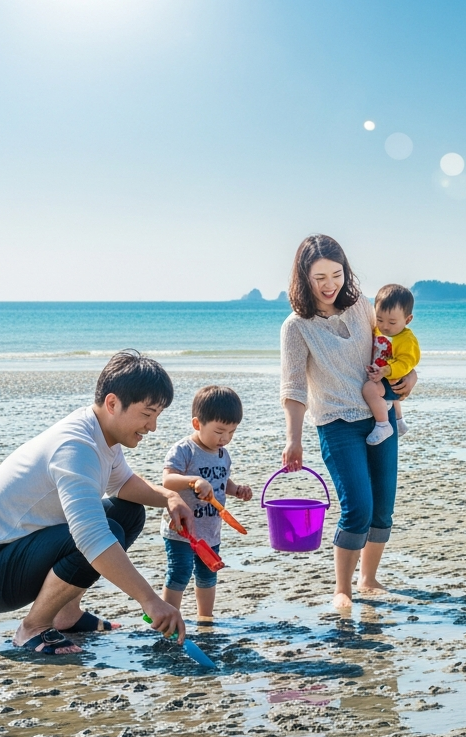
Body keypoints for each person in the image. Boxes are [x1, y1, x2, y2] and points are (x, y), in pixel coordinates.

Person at [0, 351, 193, 654]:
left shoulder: (100, 433)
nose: (153, 426)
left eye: (158, 416)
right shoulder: (76, 446)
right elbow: (91, 536)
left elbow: (123, 484)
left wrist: (170, 497)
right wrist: (150, 601)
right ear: (112, 403)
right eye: (147, 414)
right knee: (102, 533)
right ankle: (33, 627)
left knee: (128, 514)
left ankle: (66, 615)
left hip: (18, 550)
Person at [280, 234, 419, 609]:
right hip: (336, 423)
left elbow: (394, 342)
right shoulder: (296, 327)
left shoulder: (361, 306)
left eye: (337, 274)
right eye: (319, 277)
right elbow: (293, 386)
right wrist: (294, 438)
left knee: (382, 506)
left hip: (381, 417)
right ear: (303, 277)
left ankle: (369, 579)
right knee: (357, 505)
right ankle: (342, 588)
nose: (330, 285)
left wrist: (412, 377)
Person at [159, 385, 253, 621]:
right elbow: (168, 480)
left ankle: (205, 618)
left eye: (232, 432)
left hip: (210, 531)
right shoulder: (184, 450)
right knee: (179, 573)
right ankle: (169, 618)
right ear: (197, 424)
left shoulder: (223, 454)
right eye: (220, 431)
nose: (226, 438)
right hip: (182, 530)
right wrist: (194, 481)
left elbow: (222, 480)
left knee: (208, 574)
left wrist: (236, 490)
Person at [361, 284, 421, 446]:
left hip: (392, 379)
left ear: (407, 320)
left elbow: (408, 362)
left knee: (369, 389)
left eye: (392, 322)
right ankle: (399, 421)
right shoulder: (379, 330)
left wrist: (387, 370)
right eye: (379, 319)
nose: (385, 326)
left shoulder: (406, 339)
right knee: (390, 399)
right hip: (382, 374)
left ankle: (383, 424)